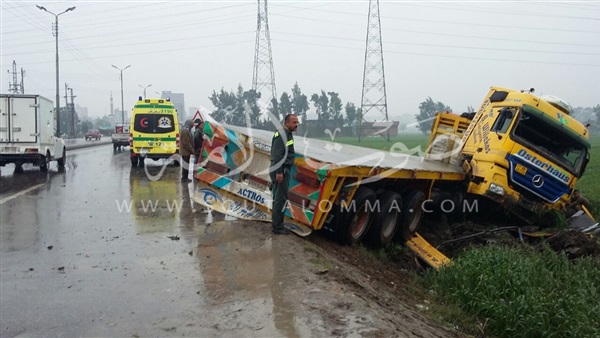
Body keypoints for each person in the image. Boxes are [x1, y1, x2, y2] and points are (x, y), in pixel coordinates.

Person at [270, 114, 299, 235]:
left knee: (278, 198)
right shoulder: (282, 134)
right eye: (294, 122)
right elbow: (278, 154)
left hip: (282, 169)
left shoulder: (287, 133)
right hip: (281, 170)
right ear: (286, 123)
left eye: (297, 122)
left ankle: (277, 224)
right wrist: (279, 172)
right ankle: (277, 227)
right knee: (280, 199)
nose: (296, 124)